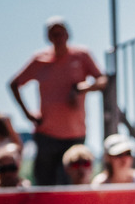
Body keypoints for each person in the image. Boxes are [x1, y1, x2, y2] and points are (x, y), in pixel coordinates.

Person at [9, 17, 107, 186]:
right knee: (45, 187)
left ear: (68, 34)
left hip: (75, 135)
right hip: (46, 135)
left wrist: (81, 88)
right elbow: (14, 84)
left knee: (73, 186)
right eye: (53, 33)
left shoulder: (81, 55)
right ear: (48, 37)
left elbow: (102, 81)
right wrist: (27, 114)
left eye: (61, 32)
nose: (58, 37)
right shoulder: (40, 59)